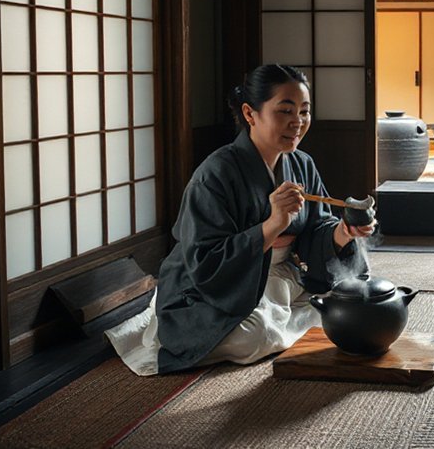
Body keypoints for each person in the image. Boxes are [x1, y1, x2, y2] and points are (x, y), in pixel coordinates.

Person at [106, 64, 374, 375]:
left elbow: (316, 228)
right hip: (214, 286)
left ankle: (278, 309)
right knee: (257, 335)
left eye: (304, 111)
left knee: (345, 298)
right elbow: (205, 262)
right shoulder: (215, 174)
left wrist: (343, 232)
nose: (297, 123)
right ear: (250, 113)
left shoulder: (302, 164)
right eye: (285, 111)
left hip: (280, 276)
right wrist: (273, 224)